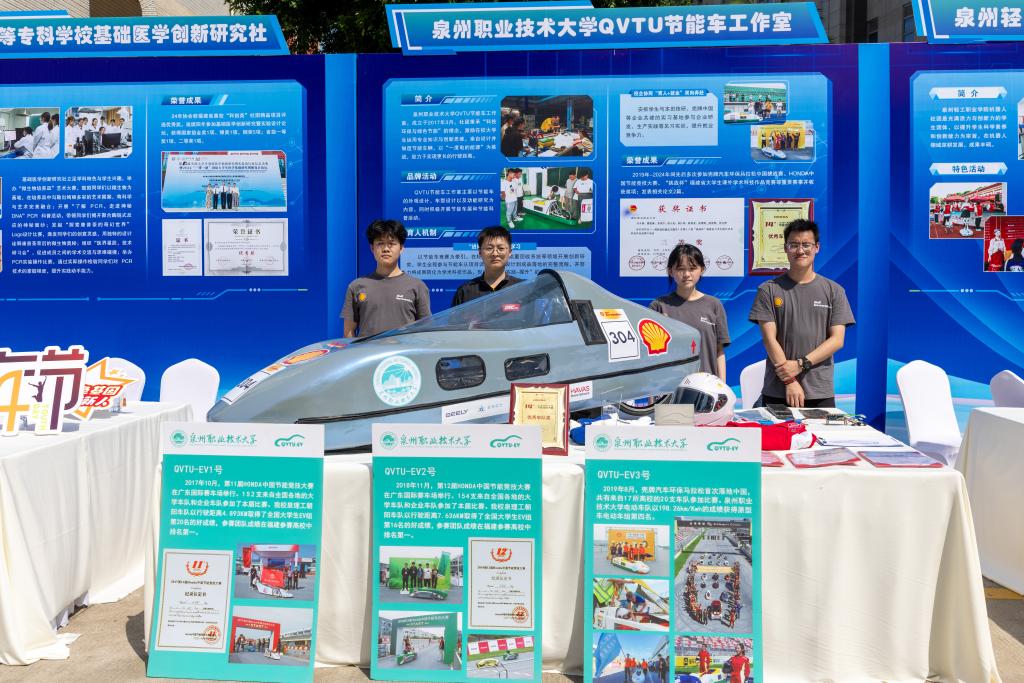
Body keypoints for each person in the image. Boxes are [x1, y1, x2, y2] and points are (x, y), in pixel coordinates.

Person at [749, 219, 854, 408]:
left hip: (819, 390)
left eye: (806, 245)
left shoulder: (834, 291)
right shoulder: (768, 290)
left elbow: (837, 340)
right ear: (785, 248)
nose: (800, 250)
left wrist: (800, 364)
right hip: (778, 390)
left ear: (816, 247)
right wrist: (789, 380)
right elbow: (769, 339)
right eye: (794, 245)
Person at [650, 243, 730, 381]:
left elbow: (719, 351)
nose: (686, 274)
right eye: (680, 269)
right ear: (670, 271)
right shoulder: (658, 306)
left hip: (707, 386)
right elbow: (651, 355)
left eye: (692, 268)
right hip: (670, 388)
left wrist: (722, 386)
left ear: (702, 270)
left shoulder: (714, 305)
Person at [342, 219, 430, 338]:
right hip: (369, 350)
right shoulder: (356, 286)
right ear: (372, 248)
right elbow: (349, 332)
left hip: (404, 350)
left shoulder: (417, 286)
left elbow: (425, 330)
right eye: (380, 243)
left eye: (391, 244)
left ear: (401, 248)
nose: (386, 249)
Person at [452, 226, 523, 306]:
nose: (495, 253)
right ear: (480, 252)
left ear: (510, 252)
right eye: (489, 248)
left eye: (501, 248)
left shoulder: (523, 288)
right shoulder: (465, 292)